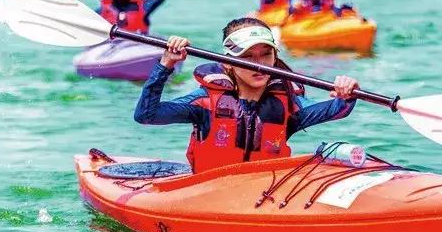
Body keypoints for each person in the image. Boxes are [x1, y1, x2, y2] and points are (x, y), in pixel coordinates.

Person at [134, 17, 359, 172]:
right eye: (247, 56)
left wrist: (346, 93)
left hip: (267, 193)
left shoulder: (289, 104)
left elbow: (338, 108)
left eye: (266, 54)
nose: (259, 65)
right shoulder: (204, 102)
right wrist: (166, 65)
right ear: (229, 64)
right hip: (209, 193)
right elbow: (146, 115)